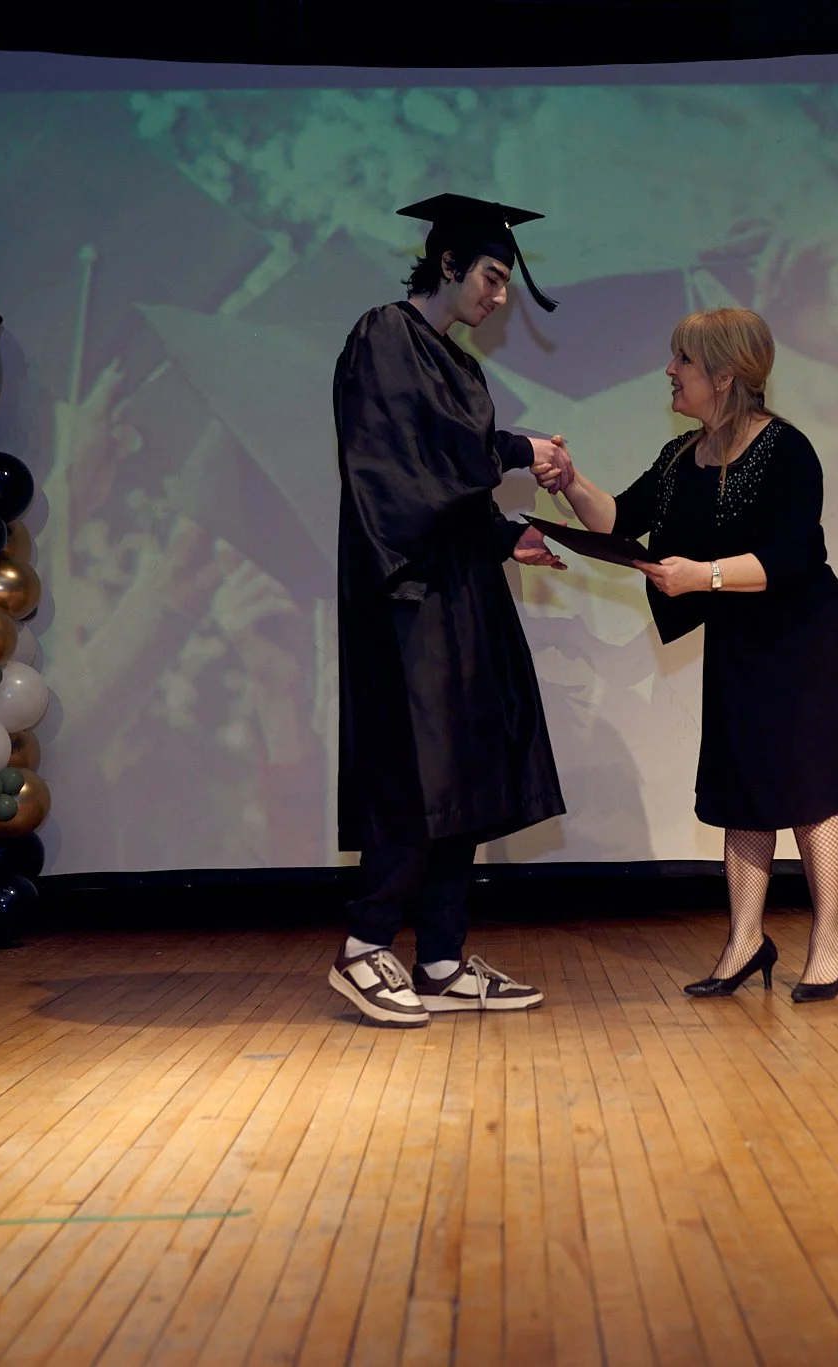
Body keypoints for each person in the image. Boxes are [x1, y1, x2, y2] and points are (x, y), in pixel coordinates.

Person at [537, 308, 838, 1001]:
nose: (670, 371)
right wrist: (571, 480)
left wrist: (703, 575)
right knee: (743, 795)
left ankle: (829, 942)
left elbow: (794, 555)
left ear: (724, 376)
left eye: (683, 361)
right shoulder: (680, 458)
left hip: (807, 643)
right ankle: (745, 940)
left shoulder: (786, 449)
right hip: (742, 647)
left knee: (812, 796)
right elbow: (620, 518)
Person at [328, 192, 574, 1026]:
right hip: (405, 596)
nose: (497, 296)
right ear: (447, 264)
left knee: (466, 773)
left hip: (459, 590)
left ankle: (437, 956)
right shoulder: (382, 338)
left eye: (505, 282)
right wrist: (516, 450)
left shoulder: (459, 364)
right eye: (492, 277)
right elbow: (414, 465)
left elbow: (458, 486)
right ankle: (366, 944)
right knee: (415, 771)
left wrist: (509, 541)